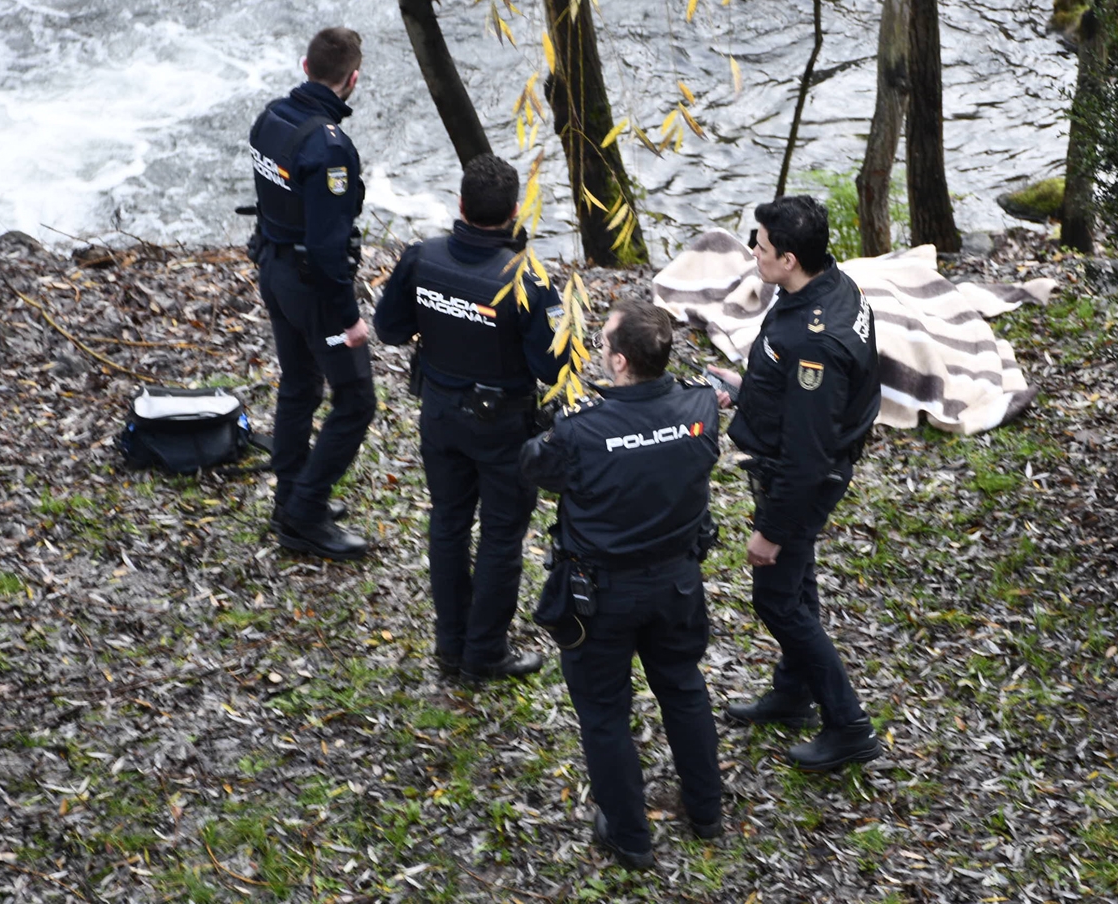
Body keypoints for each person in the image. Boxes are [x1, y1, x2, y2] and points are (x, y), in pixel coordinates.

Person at [520, 299, 723, 871]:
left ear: (620, 361)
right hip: (678, 583)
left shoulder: (581, 431)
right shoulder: (701, 407)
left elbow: (535, 465)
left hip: (600, 596)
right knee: (683, 689)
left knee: (605, 713)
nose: (599, 351)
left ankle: (630, 836)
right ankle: (707, 810)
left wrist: (548, 418)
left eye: (604, 343)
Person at [707, 194, 884, 772]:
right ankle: (792, 694)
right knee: (798, 583)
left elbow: (808, 455)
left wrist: (771, 529)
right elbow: (801, 395)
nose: (752, 253)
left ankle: (849, 724)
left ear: (787, 258)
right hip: (804, 455)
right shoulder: (836, 285)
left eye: (758, 246)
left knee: (778, 599)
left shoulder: (814, 343)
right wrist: (747, 387)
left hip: (803, 477)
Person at [373, 154, 562, 684]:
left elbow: (388, 329)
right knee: (502, 535)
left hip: (440, 413)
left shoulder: (422, 258)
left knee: (449, 523)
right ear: (514, 212)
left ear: (460, 205)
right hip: (502, 424)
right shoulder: (527, 277)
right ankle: (483, 653)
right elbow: (553, 364)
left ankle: (451, 644)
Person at [249, 27, 375, 561]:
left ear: (305, 66)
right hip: (310, 287)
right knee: (356, 400)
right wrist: (349, 320)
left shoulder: (270, 119)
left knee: (299, 385)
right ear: (353, 79)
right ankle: (304, 514)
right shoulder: (329, 149)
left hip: (274, 268)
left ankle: (289, 498)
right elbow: (327, 250)